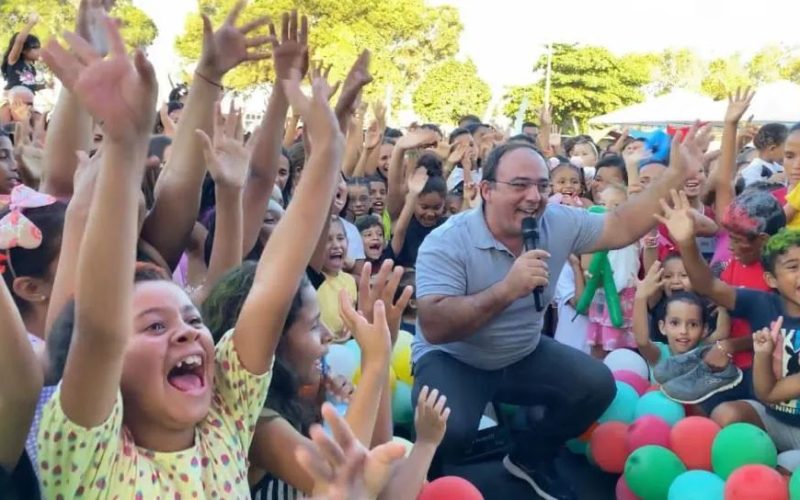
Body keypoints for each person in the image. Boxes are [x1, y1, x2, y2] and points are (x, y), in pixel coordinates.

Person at [412, 126, 705, 499]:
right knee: (448, 433)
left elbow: (621, 224)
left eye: (541, 186)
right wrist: (506, 289)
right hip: (455, 358)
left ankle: (529, 457)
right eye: (519, 185)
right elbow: (435, 326)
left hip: (520, 354)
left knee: (596, 386)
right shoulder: (447, 241)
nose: (534, 197)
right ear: (487, 190)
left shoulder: (556, 221)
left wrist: (677, 174)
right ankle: (425, 482)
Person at [1, 14, 43, 93]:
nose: (39, 50)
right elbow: (19, 41)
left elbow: (31, 86)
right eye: (35, 47)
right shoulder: (14, 61)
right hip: (14, 102)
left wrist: (45, 85)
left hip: (26, 103)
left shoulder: (32, 69)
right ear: (23, 50)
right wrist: (31, 23)